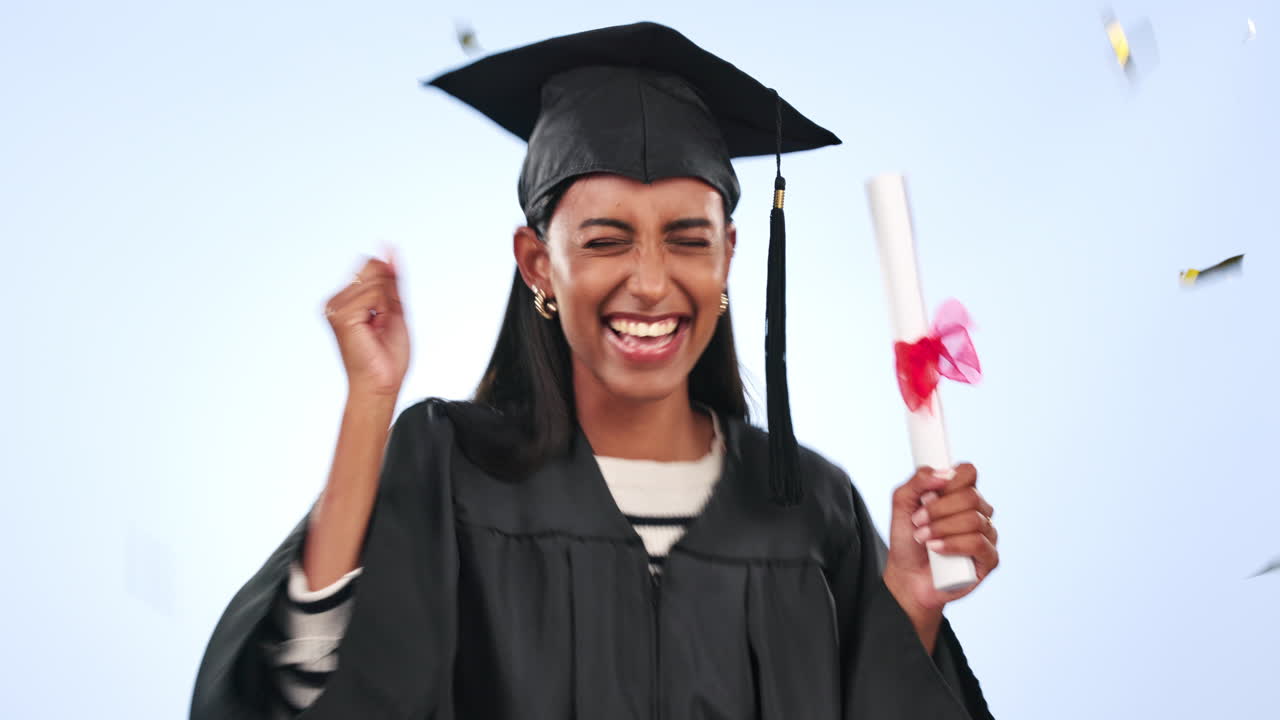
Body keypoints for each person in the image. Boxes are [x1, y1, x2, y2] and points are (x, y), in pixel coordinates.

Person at [191, 22, 999, 720]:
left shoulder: (809, 507)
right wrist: (370, 403)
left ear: (728, 256)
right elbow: (303, 693)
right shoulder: (452, 468)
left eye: (688, 239)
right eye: (606, 241)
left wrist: (910, 600)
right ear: (538, 264)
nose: (649, 282)